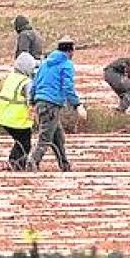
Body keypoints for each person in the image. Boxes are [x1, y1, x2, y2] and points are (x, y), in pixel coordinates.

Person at [28, 37, 85, 172]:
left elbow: (35, 83)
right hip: (51, 105)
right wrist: (77, 104)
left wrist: (32, 100)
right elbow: (68, 87)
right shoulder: (66, 65)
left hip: (40, 103)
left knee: (58, 137)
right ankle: (32, 162)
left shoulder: (45, 63)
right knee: (45, 138)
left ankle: (64, 165)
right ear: (70, 51)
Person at [0, 53, 37, 170]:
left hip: (2, 116)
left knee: (20, 141)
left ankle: (13, 163)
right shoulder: (26, 81)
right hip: (16, 119)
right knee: (25, 143)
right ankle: (16, 165)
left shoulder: (11, 77)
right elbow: (31, 100)